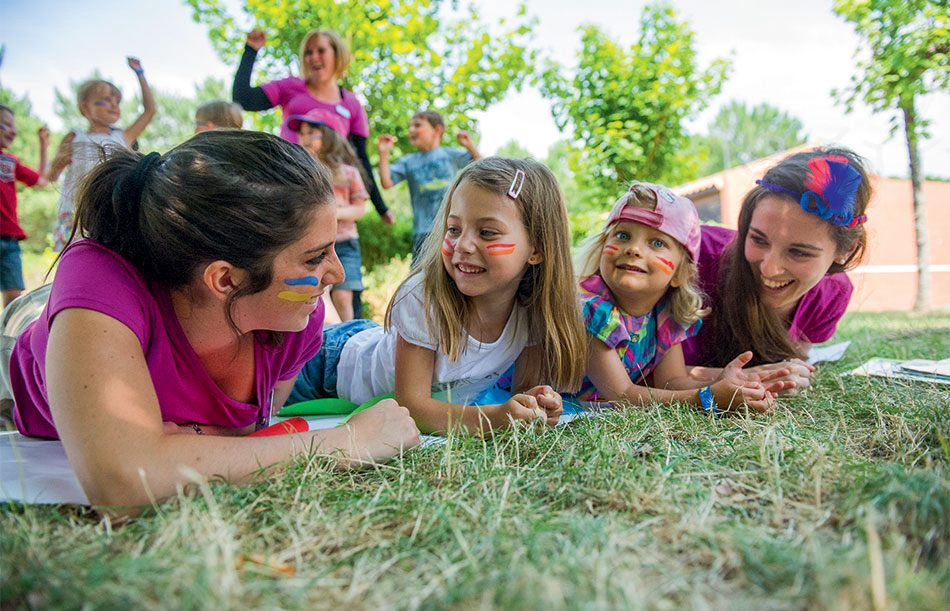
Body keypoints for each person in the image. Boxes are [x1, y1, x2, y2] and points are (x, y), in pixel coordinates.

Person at [7, 130, 420, 513]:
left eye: (332, 250)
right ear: (225, 278)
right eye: (315, 257)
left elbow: (242, 440)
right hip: (31, 336)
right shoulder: (98, 277)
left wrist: (180, 447)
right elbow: (123, 484)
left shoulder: (295, 318)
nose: (336, 275)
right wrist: (350, 441)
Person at [288, 157, 588, 436]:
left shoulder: (534, 312)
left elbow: (520, 396)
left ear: (536, 248)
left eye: (487, 232)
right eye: (454, 228)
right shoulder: (425, 296)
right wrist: (497, 418)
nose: (463, 245)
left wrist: (534, 406)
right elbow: (413, 409)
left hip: (374, 347)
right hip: (326, 363)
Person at [572, 182, 779, 415]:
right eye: (622, 235)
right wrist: (709, 398)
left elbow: (671, 381)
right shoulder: (592, 310)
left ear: (680, 275)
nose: (633, 249)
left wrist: (723, 384)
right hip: (563, 411)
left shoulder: (665, 316)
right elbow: (624, 396)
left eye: (657, 243)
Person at [681, 147, 872, 394]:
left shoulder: (832, 295)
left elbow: (794, 359)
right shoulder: (689, 256)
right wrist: (745, 378)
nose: (769, 269)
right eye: (758, 240)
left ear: (846, 251)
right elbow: (629, 369)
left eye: (799, 252)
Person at [232, 28, 394, 225]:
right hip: (292, 186)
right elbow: (244, 99)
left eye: (320, 50)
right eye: (308, 52)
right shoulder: (290, 87)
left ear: (337, 54)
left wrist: (381, 207)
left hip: (331, 192)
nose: (313, 57)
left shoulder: (352, 105)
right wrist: (251, 50)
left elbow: (360, 159)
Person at [46, 57, 156, 252]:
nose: (113, 105)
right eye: (105, 100)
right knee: (74, 259)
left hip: (109, 213)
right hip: (74, 214)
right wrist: (56, 164)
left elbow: (150, 111)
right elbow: (51, 176)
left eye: (116, 101)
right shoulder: (74, 137)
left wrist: (140, 74)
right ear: (84, 106)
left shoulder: (123, 137)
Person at [289, 108, 368, 322]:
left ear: (330, 136)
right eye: (302, 133)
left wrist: (333, 213)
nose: (304, 138)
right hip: (314, 246)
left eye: (311, 132)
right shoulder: (300, 174)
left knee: (343, 298)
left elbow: (359, 209)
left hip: (345, 243)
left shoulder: (349, 173)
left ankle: (348, 340)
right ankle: (323, 343)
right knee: (319, 297)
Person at [377, 110, 481, 260]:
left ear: (437, 130)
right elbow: (386, 183)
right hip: (422, 232)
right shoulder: (409, 161)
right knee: (420, 277)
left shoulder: (449, 154)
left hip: (450, 229)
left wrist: (469, 145)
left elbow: (481, 167)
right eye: (410, 126)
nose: (411, 130)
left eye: (417, 125)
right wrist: (384, 154)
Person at [0, 105, 49, 307]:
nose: (13, 131)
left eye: (14, 126)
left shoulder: (11, 161)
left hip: (10, 241)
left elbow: (42, 180)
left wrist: (44, 146)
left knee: (14, 302)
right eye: (6, 124)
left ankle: (7, 338)